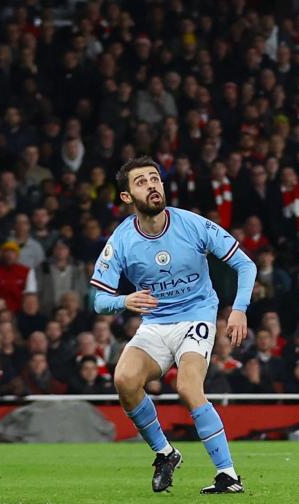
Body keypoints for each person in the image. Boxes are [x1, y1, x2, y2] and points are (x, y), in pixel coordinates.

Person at [90, 156, 256, 494]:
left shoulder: (192, 224)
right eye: (141, 182)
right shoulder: (122, 240)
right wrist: (124, 301)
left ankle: (228, 475)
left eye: (155, 179)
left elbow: (245, 264)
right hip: (155, 323)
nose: (152, 185)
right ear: (126, 197)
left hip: (197, 315)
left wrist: (238, 309)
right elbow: (98, 301)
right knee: (124, 380)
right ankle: (165, 453)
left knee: (187, 388)